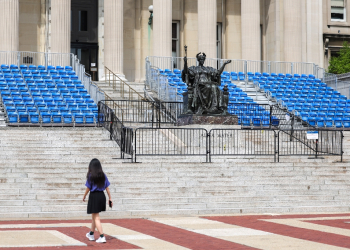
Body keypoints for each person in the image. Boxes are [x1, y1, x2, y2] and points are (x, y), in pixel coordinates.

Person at [83, 158, 112, 243]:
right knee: (94, 216)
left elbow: (88, 188)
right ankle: (91, 234)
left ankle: (102, 236)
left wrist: (84, 196)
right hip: (102, 195)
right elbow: (107, 187)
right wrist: (110, 198)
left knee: (96, 218)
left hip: (94, 196)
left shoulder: (91, 175)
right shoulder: (103, 175)